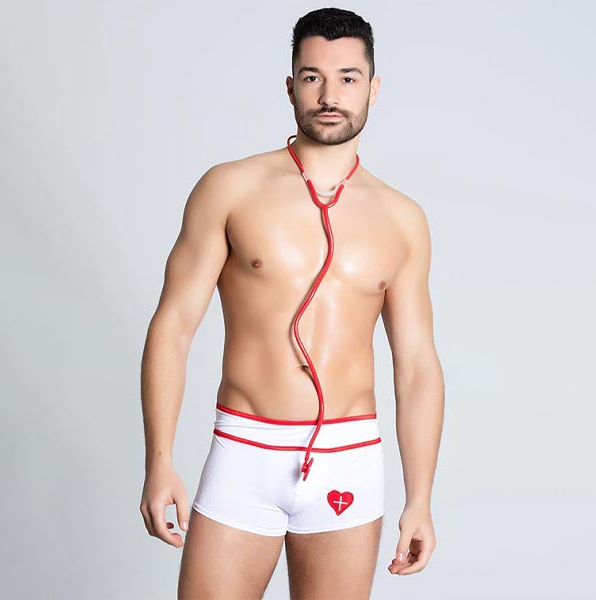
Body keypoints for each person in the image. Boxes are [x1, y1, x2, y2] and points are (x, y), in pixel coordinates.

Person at [139, 7, 444, 599]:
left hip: (348, 458)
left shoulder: (403, 219)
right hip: (245, 450)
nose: (330, 95)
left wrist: (420, 498)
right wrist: (159, 460)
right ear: (290, 86)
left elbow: (417, 365)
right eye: (312, 77)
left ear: (373, 89)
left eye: (348, 78)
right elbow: (173, 326)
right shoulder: (230, 188)